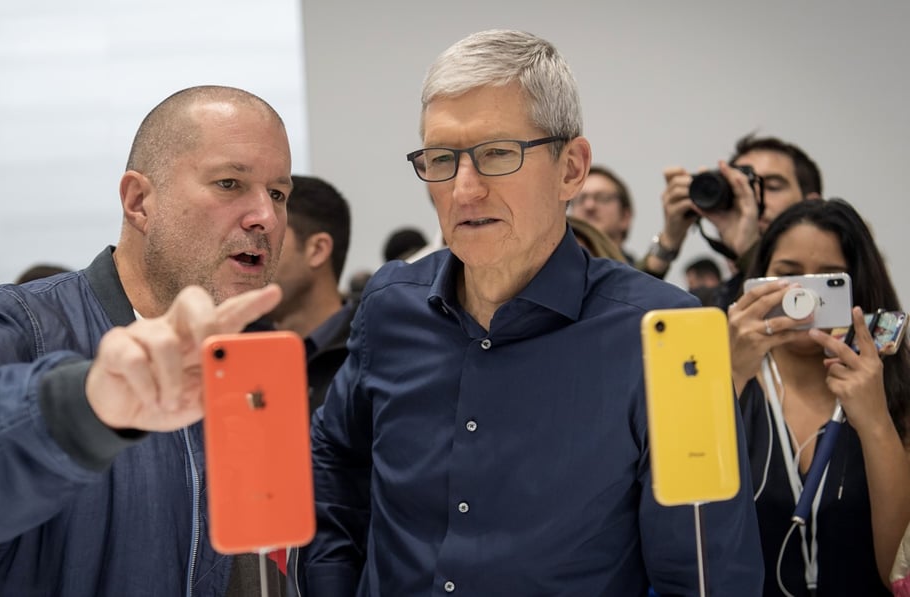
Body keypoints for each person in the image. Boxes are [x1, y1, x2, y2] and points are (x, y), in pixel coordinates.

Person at [301, 29, 762, 596]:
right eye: (441, 159)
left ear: (571, 168)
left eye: (497, 154)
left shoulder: (666, 333)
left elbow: (705, 572)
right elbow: (333, 455)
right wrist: (331, 581)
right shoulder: (390, 304)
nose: (464, 190)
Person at [0, 85, 296, 596]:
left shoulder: (253, 364)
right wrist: (84, 407)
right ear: (139, 201)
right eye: (230, 183)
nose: (266, 216)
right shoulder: (19, 325)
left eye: (278, 193)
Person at [727, 198, 910, 595]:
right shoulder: (726, 379)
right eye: (787, 276)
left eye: (828, 281)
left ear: (856, 287)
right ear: (757, 281)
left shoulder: (895, 393)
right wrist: (729, 378)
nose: (802, 298)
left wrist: (876, 421)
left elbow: (898, 576)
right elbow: (690, 531)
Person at [641, 134, 822, 303]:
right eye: (742, 186)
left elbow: (794, 307)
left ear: (812, 203)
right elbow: (624, 319)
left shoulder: (837, 281)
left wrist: (749, 251)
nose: (753, 198)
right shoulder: (709, 302)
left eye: (772, 187)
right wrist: (668, 242)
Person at [269, 174, 354, 413]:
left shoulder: (374, 355)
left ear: (317, 250)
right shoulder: (236, 352)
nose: (256, 254)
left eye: (270, 239)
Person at [566, 165, 635, 263]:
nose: (589, 206)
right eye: (581, 199)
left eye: (602, 198)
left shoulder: (641, 275)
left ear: (625, 217)